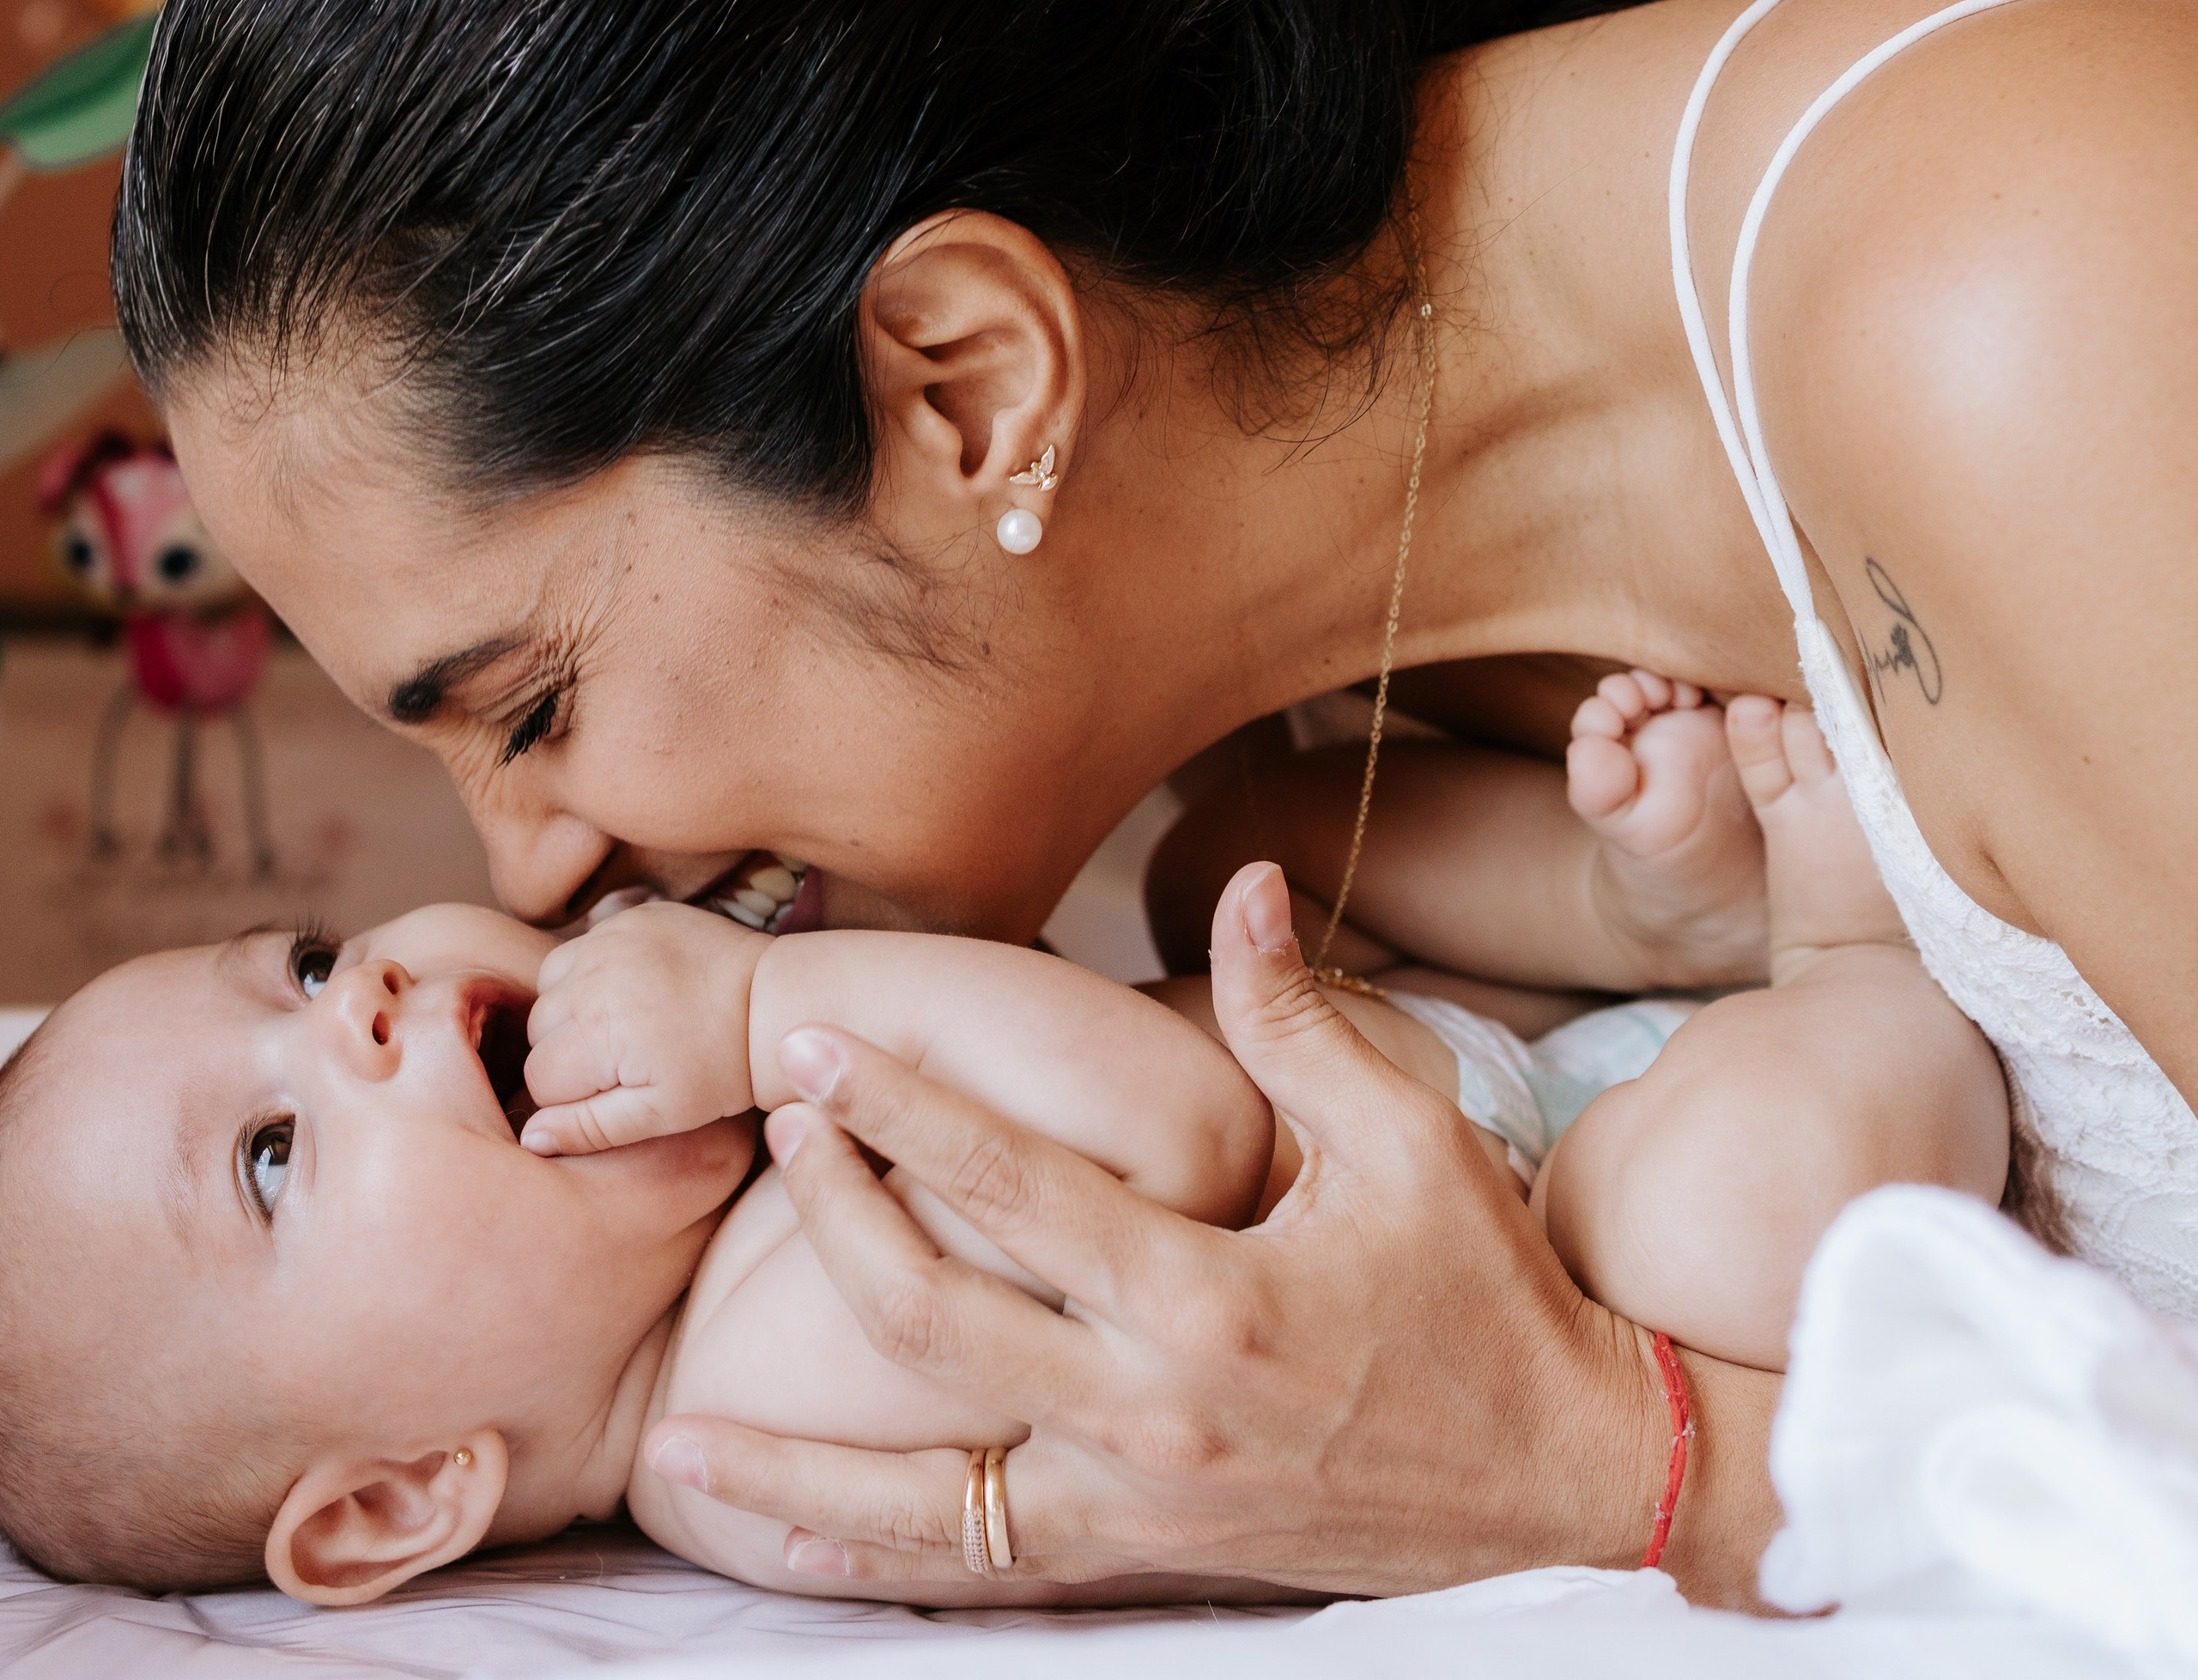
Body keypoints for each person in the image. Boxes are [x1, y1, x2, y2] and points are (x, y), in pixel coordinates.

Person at [106, 0, 2198, 1607]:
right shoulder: (1362, 667)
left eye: (534, 701)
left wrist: (1610, 1470)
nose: (526, 876)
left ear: (962, 388)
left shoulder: (2040, 317)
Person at [0, 682, 1998, 1599]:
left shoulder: (740, 1214)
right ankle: (1839, 965)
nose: (349, 1007)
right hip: (1563, 1233)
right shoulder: (765, 1385)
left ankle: (1648, 925)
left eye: (308, 957)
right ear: (396, 1501)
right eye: (272, 1152)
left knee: (1246, 849)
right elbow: (1177, 1122)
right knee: (1745, 1205)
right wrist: (769, 1008)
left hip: (1455, 1065)